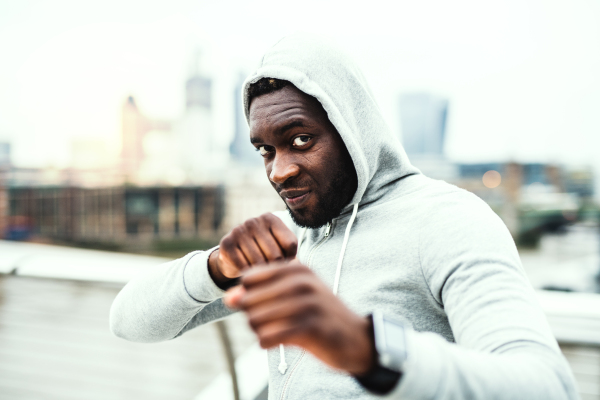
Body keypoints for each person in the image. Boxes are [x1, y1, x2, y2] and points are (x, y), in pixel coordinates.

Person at [110, 33, 579, 399]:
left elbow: (546, 387)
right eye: (264, 150)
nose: (280, 170)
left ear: (351, 127)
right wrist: (218, 268)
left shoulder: (450, 221)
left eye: (300, 140)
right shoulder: (288, 238)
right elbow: (128, 321)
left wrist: (370, 348)